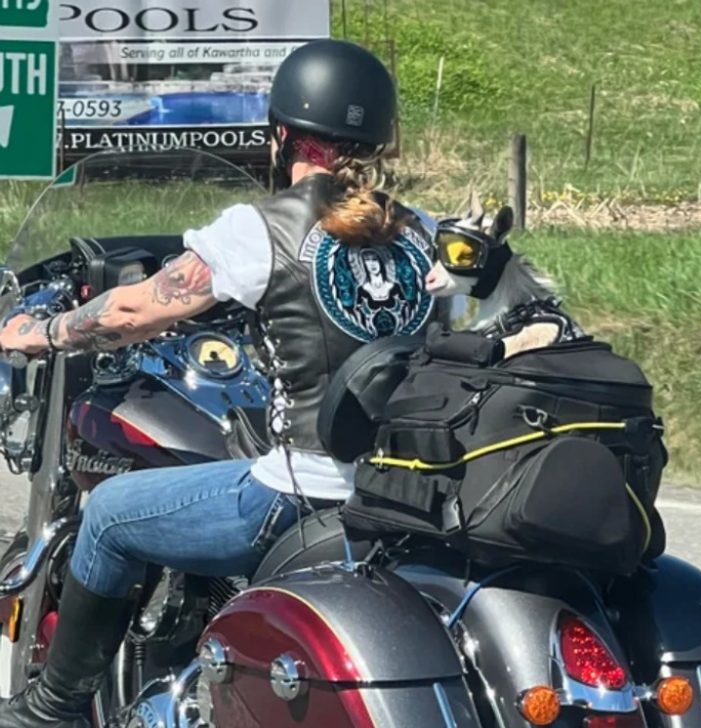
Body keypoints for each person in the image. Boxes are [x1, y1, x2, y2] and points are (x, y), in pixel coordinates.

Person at [0, 40, 440, 728]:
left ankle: (52, 709)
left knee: (110, 513)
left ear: (282, 134)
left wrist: (41, 332)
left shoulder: (260, 228)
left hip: (300, 493)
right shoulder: (420, 233)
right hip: (402, 492)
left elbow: (132, 310)